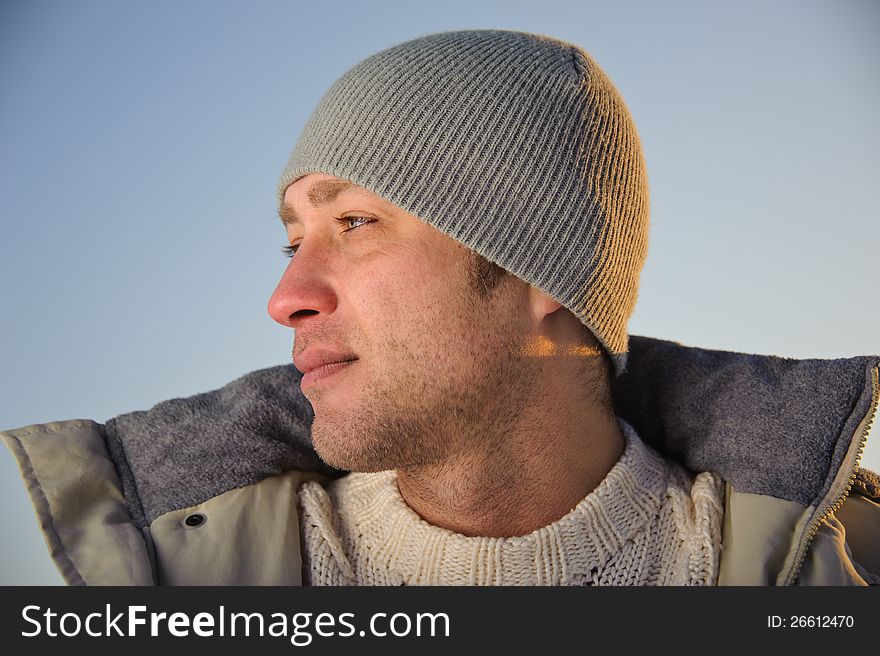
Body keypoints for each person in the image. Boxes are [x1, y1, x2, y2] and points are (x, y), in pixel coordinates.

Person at [3, 29, 878, 586]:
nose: (285, 298)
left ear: (543, 268)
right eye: (291, 240)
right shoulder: (149, 581)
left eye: (354, 222)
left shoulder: (840, 579)